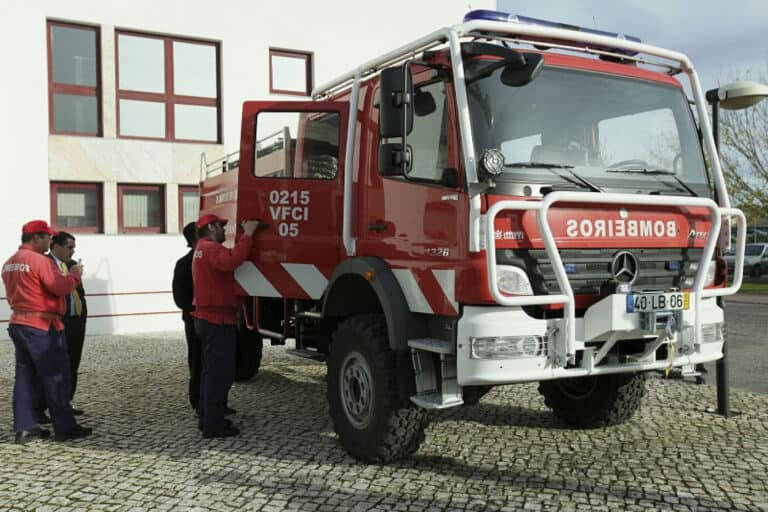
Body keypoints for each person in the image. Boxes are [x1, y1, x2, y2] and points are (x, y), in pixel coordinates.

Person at [1, 220, 93, 444]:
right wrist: (74, 275)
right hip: (42, 325)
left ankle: (25, 428)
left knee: (24, 379)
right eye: (47, 237)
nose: (50, 241)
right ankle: (65, 427)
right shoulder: (40, 261)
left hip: (19, 323)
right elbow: (59, 287)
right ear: (36, 238)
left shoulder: (10, 262)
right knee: (57, 377)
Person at [192, 214, 259, 438]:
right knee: (219, 375)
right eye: (221, 226)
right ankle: (213, 425)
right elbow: (232, 259)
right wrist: (248, 234)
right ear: (210, 227)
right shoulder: (210, 248)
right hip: (217, 321)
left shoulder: (201, 248)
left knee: (210, 374)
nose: (224, 230)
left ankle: (208, 418)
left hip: (208, 319)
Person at [48, 231, 87, 413]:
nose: (72, 251)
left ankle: (66, 402)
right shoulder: (46, 265)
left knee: (72, 363)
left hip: (75, 322)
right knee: (53, 365)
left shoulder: (72, 265)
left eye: (74, 248)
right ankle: (40, 408)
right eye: (69, 247)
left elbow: (79, 293)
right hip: (57, 322)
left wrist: (82, 316)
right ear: (56, 246)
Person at [172, 222, 203, 413]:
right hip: (194, 318)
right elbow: (180, 297)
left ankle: (215, 401)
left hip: (198, 317)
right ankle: (198, 400)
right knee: (198, 360)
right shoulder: (184, 263)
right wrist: (195, 310)